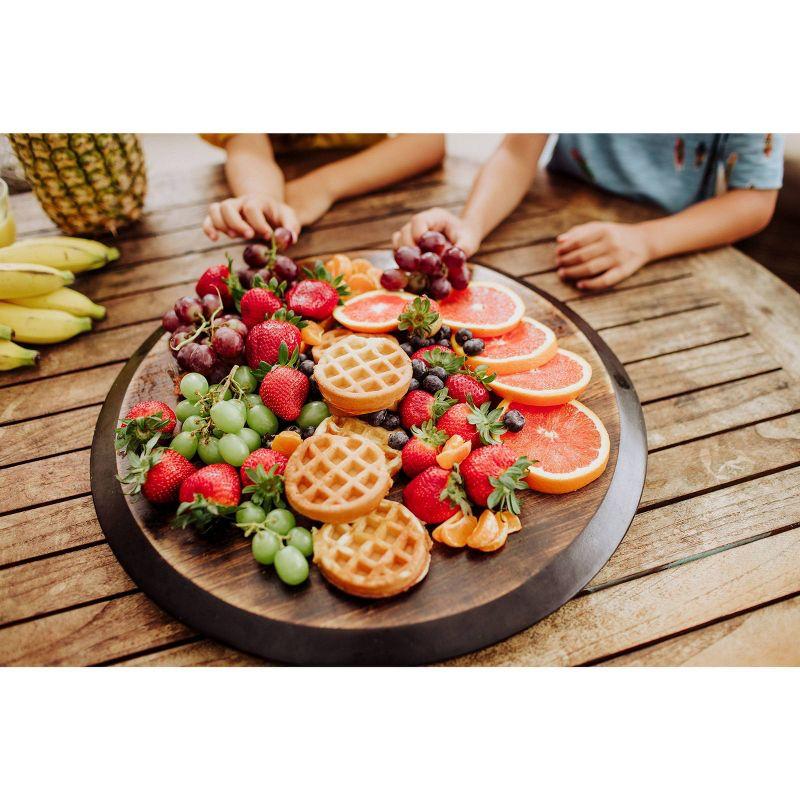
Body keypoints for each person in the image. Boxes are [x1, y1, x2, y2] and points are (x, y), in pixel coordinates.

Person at [393, 134, 783, 290]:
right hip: (547, 231)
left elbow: (754, 201)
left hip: (673, 249)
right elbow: (516, 153)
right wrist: (472, 224)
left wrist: (645, 240)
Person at [201, 133, 445, 243]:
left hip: (372, 198)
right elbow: (247, 145)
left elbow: (428, 139)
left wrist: (323, 185)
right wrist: (262, 197)